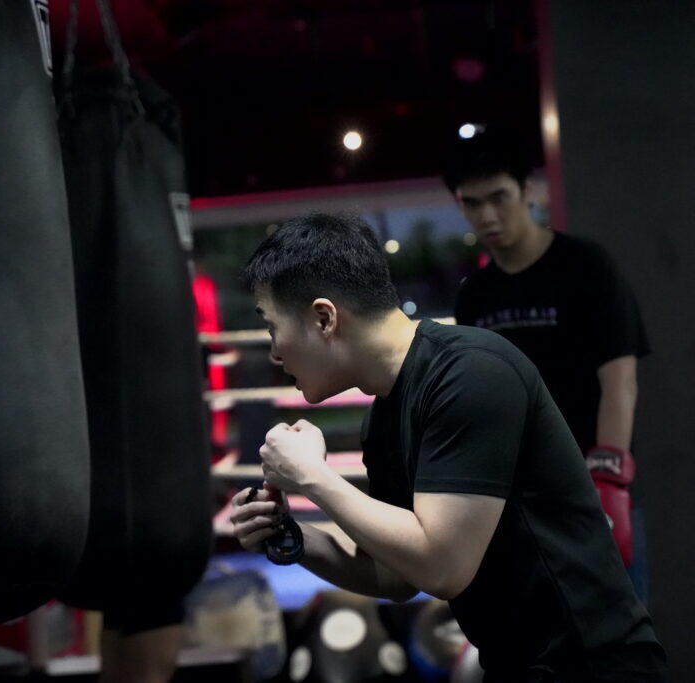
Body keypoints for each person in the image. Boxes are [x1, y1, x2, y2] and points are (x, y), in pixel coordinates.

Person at [230, 213, 666, 682]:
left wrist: (312, 478)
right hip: (519, 667)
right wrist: (292, 537)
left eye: (274, 328)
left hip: (595, 666)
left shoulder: (471, 373)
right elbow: (397, 575)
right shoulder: (383, 418)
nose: (275, 352)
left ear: (324, 317)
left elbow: (443, 567)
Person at [444, 130, 651, 600]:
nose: (488, 216)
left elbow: (620, 381)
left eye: (499, 197)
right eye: (472, 203)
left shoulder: (586, 266)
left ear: (528, 191)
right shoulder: (474, 297)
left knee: (622, 639)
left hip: (590, 488)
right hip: (517, 498)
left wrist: (606, 483)